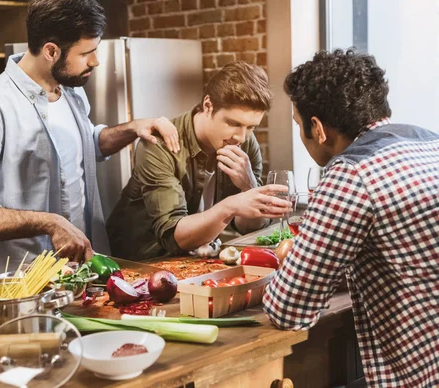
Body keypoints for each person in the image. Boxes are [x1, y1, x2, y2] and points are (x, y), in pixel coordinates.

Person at [0, 0, 179, 272]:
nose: (96, 61)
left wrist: (133, 128)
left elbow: (84, 146)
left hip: (88, 274)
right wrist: (50, 222)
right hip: (27, 289)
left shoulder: (71, 92)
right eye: (87, 53)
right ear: (51, 51)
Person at [262, 49, 439, 387]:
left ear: (318, 128)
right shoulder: (430, 142)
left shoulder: (351, 173)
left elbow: (287, 308)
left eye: (300, 126)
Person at [107, 61, 292, 260]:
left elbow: (247, 227)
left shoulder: (245, 142)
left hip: (195, 258)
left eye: (251, 127)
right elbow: (173, 237)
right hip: (140, 262)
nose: (241, 136)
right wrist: (231, 205)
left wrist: (249, 188)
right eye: (233, 123)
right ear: (208, 106)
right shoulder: (159, 145)